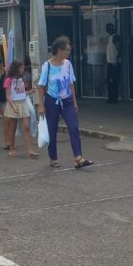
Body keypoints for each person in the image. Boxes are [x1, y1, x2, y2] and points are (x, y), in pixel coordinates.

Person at [37, 36, 92, 169]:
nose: (69, 52)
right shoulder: (47, 65)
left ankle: (78, 157)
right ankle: (53, 157)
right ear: (59, 50)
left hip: (67, 100)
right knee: (52, 129)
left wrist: (74, 101)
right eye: (67, 49)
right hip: (52, 100)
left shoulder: (68, 64)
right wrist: (41, 105)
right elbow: (41, 86)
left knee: (73, 127)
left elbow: (71, 83)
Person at [4, 60, 38, 158]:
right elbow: (8, 95)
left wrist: (30, 91)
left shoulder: (21, 79)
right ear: (16, 68)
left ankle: (30, 150)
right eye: (21, 68)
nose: (23, 69)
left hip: (22, 103)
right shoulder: (9, 80)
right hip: (14, 104)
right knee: (13, 127)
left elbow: (22, 92)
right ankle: (12, 148)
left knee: (26, 127)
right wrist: (13, 106)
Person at [105, 22, 121, 103]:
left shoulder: (115, 37)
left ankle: (114, 98)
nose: (110, 30)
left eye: (111, 28)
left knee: (113, 81)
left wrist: (117, 60)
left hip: (114, 63)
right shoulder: (110, 37)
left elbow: (119, 48)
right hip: (110, 62)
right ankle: (111, 98)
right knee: (110, 81)